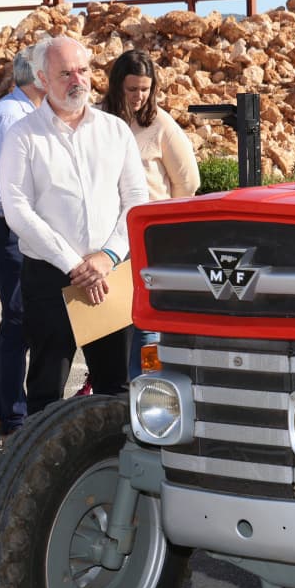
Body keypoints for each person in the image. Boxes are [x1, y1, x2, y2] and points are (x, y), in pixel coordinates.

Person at [0, 36, 147, 412]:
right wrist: (74, 264)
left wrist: (108, 256)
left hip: (108, 274)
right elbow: (17, 209)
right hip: (50, 277)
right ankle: (45, 470)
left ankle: (113, 466)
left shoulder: (114, 130)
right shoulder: (22, 136)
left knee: (115, 389)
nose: (76, 80)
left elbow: (135, 200)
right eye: (65, 73)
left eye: (82, 70)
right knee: (48, 389)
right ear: (43, 79)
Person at [100, 49, 200, 378]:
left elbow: (187, 181)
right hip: (106, 238)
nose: (139, 96)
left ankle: (147, 386)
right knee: (110, 322)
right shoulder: (99, 121)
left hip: (148, 239)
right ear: (116, 87)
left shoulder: (160, 125)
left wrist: (168, 231)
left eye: (145, 89)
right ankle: (116, 394)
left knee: (146, 324)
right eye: (132, 89)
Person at [0, 42, 46, 439]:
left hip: (19, 228)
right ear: (38, 77)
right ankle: (12, 413)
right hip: (8, 228)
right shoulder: (8, 117)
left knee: (20, 318)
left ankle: (1, 405)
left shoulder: (29, 113)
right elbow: (3, 191)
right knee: (19, 318)